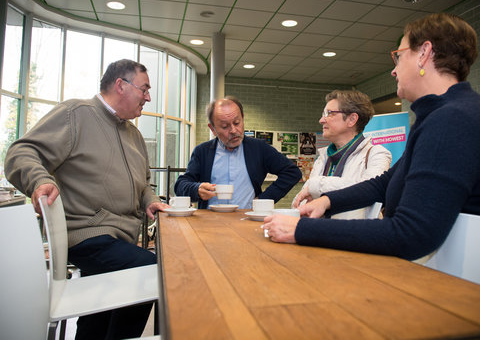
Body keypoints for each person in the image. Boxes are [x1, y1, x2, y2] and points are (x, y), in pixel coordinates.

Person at [263, 13, 480, 261]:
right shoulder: (440, 115)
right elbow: (384, 183)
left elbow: (412, 234)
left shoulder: (451, 120)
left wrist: (302, 230)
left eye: (398, 56)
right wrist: (327, 201)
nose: (393, 70)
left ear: (424, 53)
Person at [5, 59, 169, 339]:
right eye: (144, 89)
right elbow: (20, 153)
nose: (148, 97)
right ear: (121, 85)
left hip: (118, 239)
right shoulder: (76, 114)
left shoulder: (135, 135)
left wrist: (151, 199)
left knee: (101, 303)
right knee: (148, 269)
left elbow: (144, 185)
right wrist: (40, 179)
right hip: (87, 234)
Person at [174, 96, 302, 209]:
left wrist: (265, 199)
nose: (234, 130)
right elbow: (180, 186)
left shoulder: (259, 148)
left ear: (243, 118)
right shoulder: (202, 152)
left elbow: (292, 172)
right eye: (225, 126)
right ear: (212, 129)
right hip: (210, 222)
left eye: (237, 122)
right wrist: (197, 189)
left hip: (247, 221)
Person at [292, 90, 392, 219]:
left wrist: (317, 185)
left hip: (357, 235)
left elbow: (368, 190)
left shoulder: (377, 154)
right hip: (320, 233)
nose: (321, 120)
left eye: (329, 113)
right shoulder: (323, 157)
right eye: (323, 114)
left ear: (352, 119)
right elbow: (303, 198)